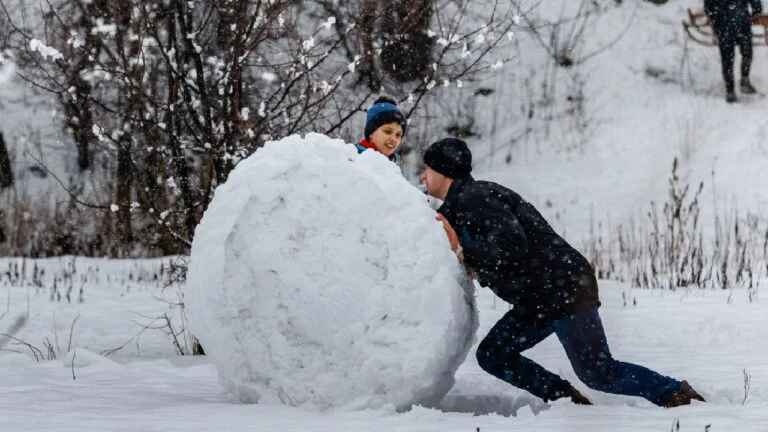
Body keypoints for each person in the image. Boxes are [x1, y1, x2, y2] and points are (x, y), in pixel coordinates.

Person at [420, 137, 706, 408]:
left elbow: (511, 245)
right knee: (494, 355)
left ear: (444, 171)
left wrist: (464, 252)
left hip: (563, 288)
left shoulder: (476, 197)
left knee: (598, 371)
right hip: (538, 298)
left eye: (427, 169)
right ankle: (567, 401)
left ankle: (678, 395)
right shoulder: (460, 206)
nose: (423, 176)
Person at [704, 0, 763, 102]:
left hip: (733, 23)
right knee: (736, 56)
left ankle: (737, 85)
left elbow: (708, 7)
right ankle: (736, 86)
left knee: (739, 55)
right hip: (732, 23)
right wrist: (756, 10)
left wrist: (756, 10)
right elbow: (708, 5)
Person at [355, 96, 407, 161]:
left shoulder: (393, 167)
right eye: (388, 131)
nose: (393, 139)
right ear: (371, 133)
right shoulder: (350, 159)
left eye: (398, 135)